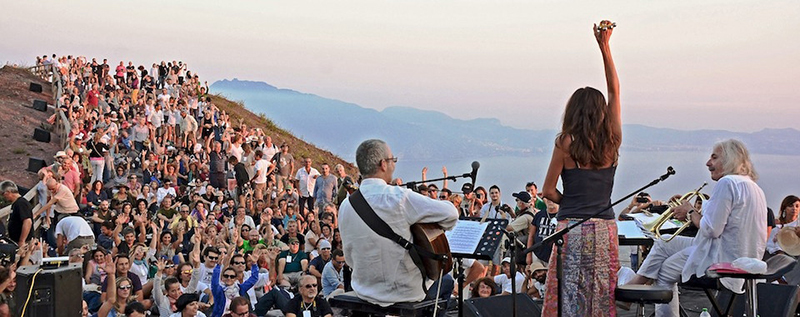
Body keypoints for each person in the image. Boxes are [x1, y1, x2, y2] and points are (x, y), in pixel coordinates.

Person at [625, 139, 767, 317]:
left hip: (722, 258)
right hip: (740, 255)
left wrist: (690, 210)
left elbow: (711, 230)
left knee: (665, 271)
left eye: (714, 158)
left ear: (730, 160)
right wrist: (693, 214)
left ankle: (632, 292)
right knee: (664, 243)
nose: (708, 163)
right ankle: (636, 283)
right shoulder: (753, 186)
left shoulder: (727, 183)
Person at [540, 21, 621, 316]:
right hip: (604, 228)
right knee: (599, 294)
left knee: (567, 294)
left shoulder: (565, 142)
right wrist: (605, 47)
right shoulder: (612, 141)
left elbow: (548, 190)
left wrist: (570, 201)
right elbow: (615, 91)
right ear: (601, 113)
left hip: (571, 228)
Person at [339, 139, 458, 307]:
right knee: (447, 280)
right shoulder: (399, 197)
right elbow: (451, 213)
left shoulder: (346, 205)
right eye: (392, 160)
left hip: (363, 290)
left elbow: (350, 258)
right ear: (383, 164)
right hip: (405, 292)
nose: (394, 164)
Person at [0, 181, 33, 247]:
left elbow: (28, 222)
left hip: (23, 241)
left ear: (8, 192)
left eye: (3, 194)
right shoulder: (16, 203)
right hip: (16, 240)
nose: (3, 197)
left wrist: (22, 240)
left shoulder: (21, 204)